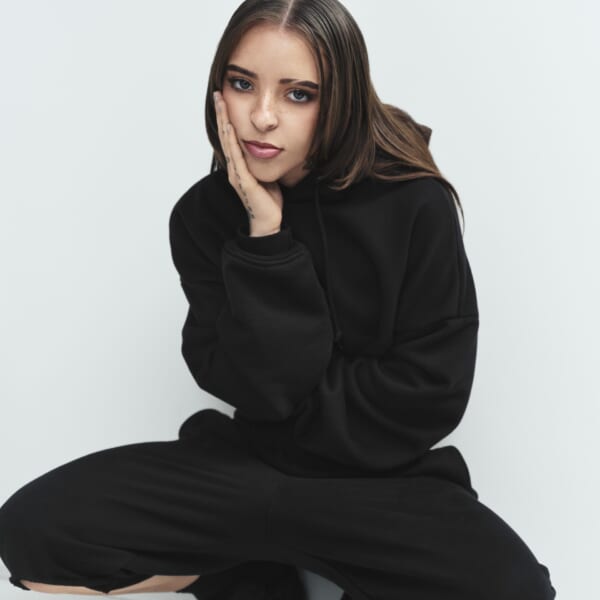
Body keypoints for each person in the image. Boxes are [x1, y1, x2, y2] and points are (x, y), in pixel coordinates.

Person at [0, 1, 557, 598]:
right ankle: (245, 568)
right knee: (32, 533)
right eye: (243, 84)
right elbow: (247, 382)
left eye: (298, 94)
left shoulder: (413, 202)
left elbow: (428, 391)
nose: (262, 117)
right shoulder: (204, 216)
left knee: (516, 591)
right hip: (246, 474)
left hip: (380, 488)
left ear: (340, 99)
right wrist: (265, 237)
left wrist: (290, 409)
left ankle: (255, 562)